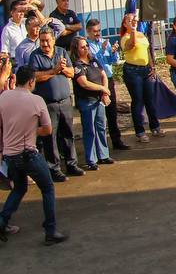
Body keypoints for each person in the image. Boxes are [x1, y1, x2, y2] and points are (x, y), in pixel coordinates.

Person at [0, 65, 68, 245]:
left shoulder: (4, 97)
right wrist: (32, 131)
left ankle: (2, 221)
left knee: (19, 188)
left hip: (10, 155)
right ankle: (51, 230)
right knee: (47, 188)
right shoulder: (37, 101)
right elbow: (47, 129)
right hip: (28, 153)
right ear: (31, 81)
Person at [28, 26, 82, 178]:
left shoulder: (61, 52)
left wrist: (63, 69)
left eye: (47, 41)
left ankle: (72, 164)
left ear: (53, 40)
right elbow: (35, 77)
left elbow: (71, 73)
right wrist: (54, 71)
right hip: (47, 104)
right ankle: (54, 168)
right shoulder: (35, 56)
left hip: (64, 101)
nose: (44, 44)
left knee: (68, 134)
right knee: (50, 137)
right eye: (42, 41)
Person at [86, 19, 129, 151]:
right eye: (95, 31)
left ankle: (116, 140)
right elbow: (93, 61)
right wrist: (102, 50)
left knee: (112, 111)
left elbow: (113, 61)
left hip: (108, 79)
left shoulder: (105, 42)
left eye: (99, 30)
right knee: (98, 115)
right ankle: (100, 145)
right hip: (95, 81)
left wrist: (113, 51)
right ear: (88, 32)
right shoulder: (86, 45)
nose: (98, 33)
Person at [120, 12, 162, 143]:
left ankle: (155, 126)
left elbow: (147, 51)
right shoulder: (125, 37)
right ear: (125, 24)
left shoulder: (142, 35)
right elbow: (131, 45)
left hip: (145, 70)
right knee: (138, 100)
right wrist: (132, 30)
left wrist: (152, 66)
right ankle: (140, 131)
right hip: (133, 71)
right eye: (130, 20)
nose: (133, 21)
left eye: (134, 20)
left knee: (150, 99)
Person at [71, 36, 112, 169]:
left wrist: (104, 92)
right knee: (89, 130)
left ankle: (103, 155)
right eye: (82, 47)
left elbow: (103, 75)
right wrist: (103, 89)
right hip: (87, 101)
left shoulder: (93, 60)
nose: (86, 48)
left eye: (86, 46)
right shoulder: (77, 65)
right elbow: (84, 83)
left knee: (101, 127)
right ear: (76, 49)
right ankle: (91, 159)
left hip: (99, 100)